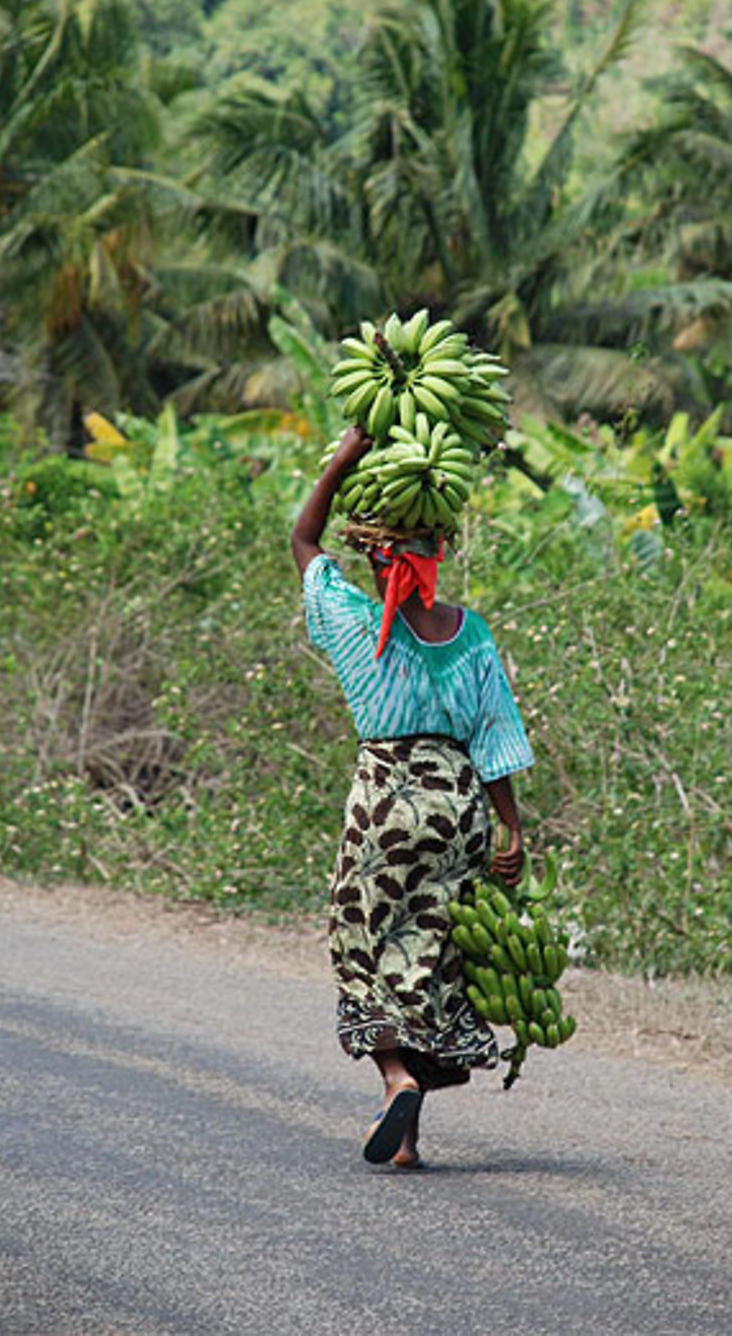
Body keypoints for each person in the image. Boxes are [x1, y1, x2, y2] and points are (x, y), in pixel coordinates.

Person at [291, 425, 534, 1169]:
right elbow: (495, 734)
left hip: (384, 803)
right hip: (457, 803)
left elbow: (304, 543)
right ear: (436, 551)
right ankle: (409, 1140)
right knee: (428, 956)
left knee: (365, 949)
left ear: (377, 552)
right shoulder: (472, 632)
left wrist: (343, 460)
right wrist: (511, 829)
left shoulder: (359, 624)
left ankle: (395, 1076)